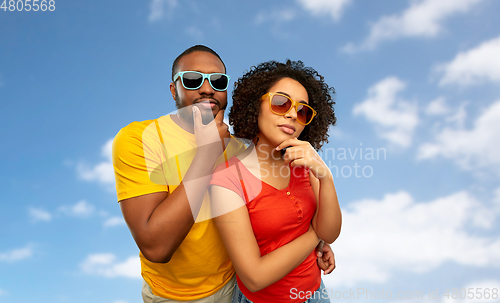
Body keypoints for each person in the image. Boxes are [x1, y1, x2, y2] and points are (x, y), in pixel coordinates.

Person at [112, 45, 335, 303]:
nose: (207, 88)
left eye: (217, 81)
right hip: (176, 297)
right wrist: (207, 154)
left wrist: (315, 246)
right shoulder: (140, 139)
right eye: (193, 79)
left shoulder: (241, 147)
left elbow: (269, 214)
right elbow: (156, 247)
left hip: (236, 288)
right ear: (174, 90)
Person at [210, 60, 341, 303]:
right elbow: (254, 277)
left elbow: (331, 233)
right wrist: (316, 235)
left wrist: (326, 177)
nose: (292, 114)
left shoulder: (305, 161)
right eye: (281, 103)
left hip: (316, 294)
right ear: (255, 105)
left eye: (302, 111)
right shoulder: (226, 180)